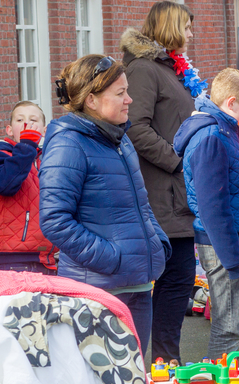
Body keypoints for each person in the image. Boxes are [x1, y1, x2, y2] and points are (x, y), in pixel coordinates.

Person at [40, 54, 170, 345]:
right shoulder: (68, 144)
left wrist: (157, 244)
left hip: (136, 286)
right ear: (91, 100)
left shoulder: (120, 139)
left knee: (133, 382)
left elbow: (141, 204)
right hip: (98, 292)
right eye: (120, 93)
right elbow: (54, 220)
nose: (130, 100)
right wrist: (113, 258)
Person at [120, 0, 199, 364]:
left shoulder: (169, 68)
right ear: (168, 27)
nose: (190, 34)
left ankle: (166, 362)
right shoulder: (145, 70)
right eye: (185, 26)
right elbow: (134, 126)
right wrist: (176, 159)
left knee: (179, 280)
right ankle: (163, 364)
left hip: (176, 192)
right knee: (173, 280)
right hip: (160, 192)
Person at [173, 69, 239, 359]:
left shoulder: (221, 130)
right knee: (228, 328)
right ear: (232, 102)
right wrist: (232, 257)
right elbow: (213, 205)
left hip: (229, 239)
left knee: (230, 325)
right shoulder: (213, 135)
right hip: (226, 242)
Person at [0, 101, 57, 273]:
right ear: (9, 130)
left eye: (33, 120)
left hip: (46, 259)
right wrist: (26, 146)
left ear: (44, 131)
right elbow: (4, 184)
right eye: (20, 120)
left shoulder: (47, 161)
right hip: (12, 259)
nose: (26, 124)